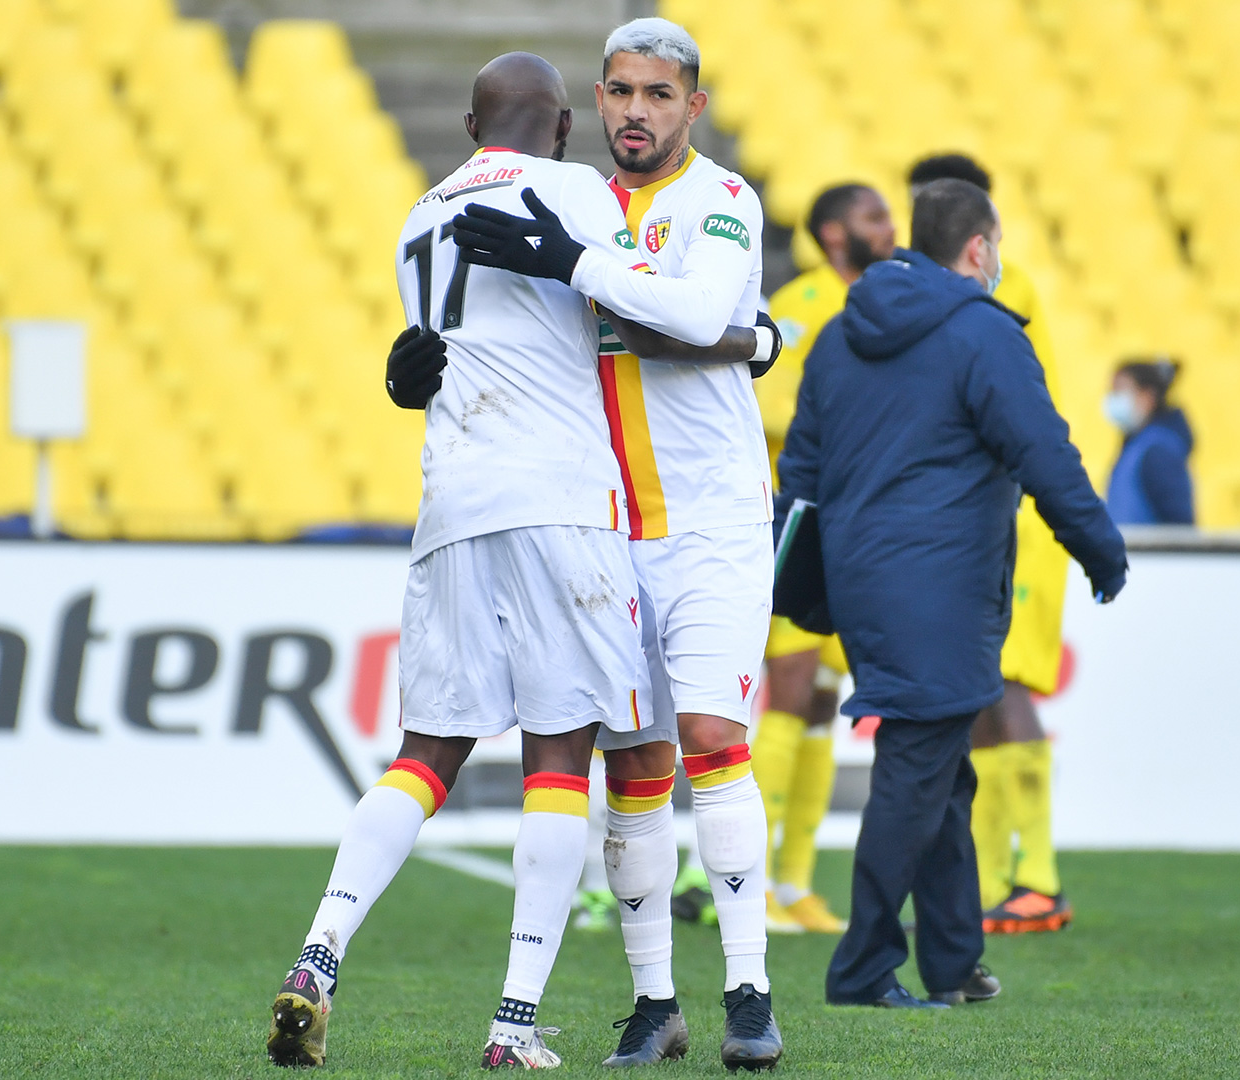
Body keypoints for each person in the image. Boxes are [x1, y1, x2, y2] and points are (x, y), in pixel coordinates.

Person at [452, 17, 785, 1070]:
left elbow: (691, 316)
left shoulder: (720, 201)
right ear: (594, 103)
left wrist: (579, 267)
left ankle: (748, 992)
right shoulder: (582, 205)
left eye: (658, 94)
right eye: (619, 93)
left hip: (714, 522)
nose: (636, 111)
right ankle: (655, 1003)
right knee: (629, 764)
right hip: (605, 528)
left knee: (709, 738)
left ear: (695, 105)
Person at [778, 178, 1127, 1009]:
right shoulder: (984, 335)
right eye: (996, 246)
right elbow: (1045, 452)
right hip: (943, 584)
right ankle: (862, 969)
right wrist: (1100, 549)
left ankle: (952, 960)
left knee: (941, 771)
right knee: (915, 767)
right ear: (978, 248)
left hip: (866, 583)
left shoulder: (837, 334)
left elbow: (800, 474)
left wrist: (809, 583)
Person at [906, 153, 1075, 934]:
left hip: (1018, 522)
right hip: (976, 517)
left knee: (1008, 690)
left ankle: (1037, 876)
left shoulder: (1004, 288)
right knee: (980, 697)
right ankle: (989, 877)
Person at [749, 181, 896, 937]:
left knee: (821, 707)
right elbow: (767, 402)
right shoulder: (800, 303)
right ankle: (748, 883)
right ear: (836, 232)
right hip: (799, 517)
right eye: (875, 216)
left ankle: (793, 878)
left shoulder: (886, 300)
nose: (891, 227)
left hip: (862, 525)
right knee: (790, 688)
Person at [1103, 358, 1195, 526]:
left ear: (1147, 396)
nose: (1113, 398)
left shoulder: (1158, 451)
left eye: (1120, 390)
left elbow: (1178, 525)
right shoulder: (1135, 446)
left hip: (1149, 552)